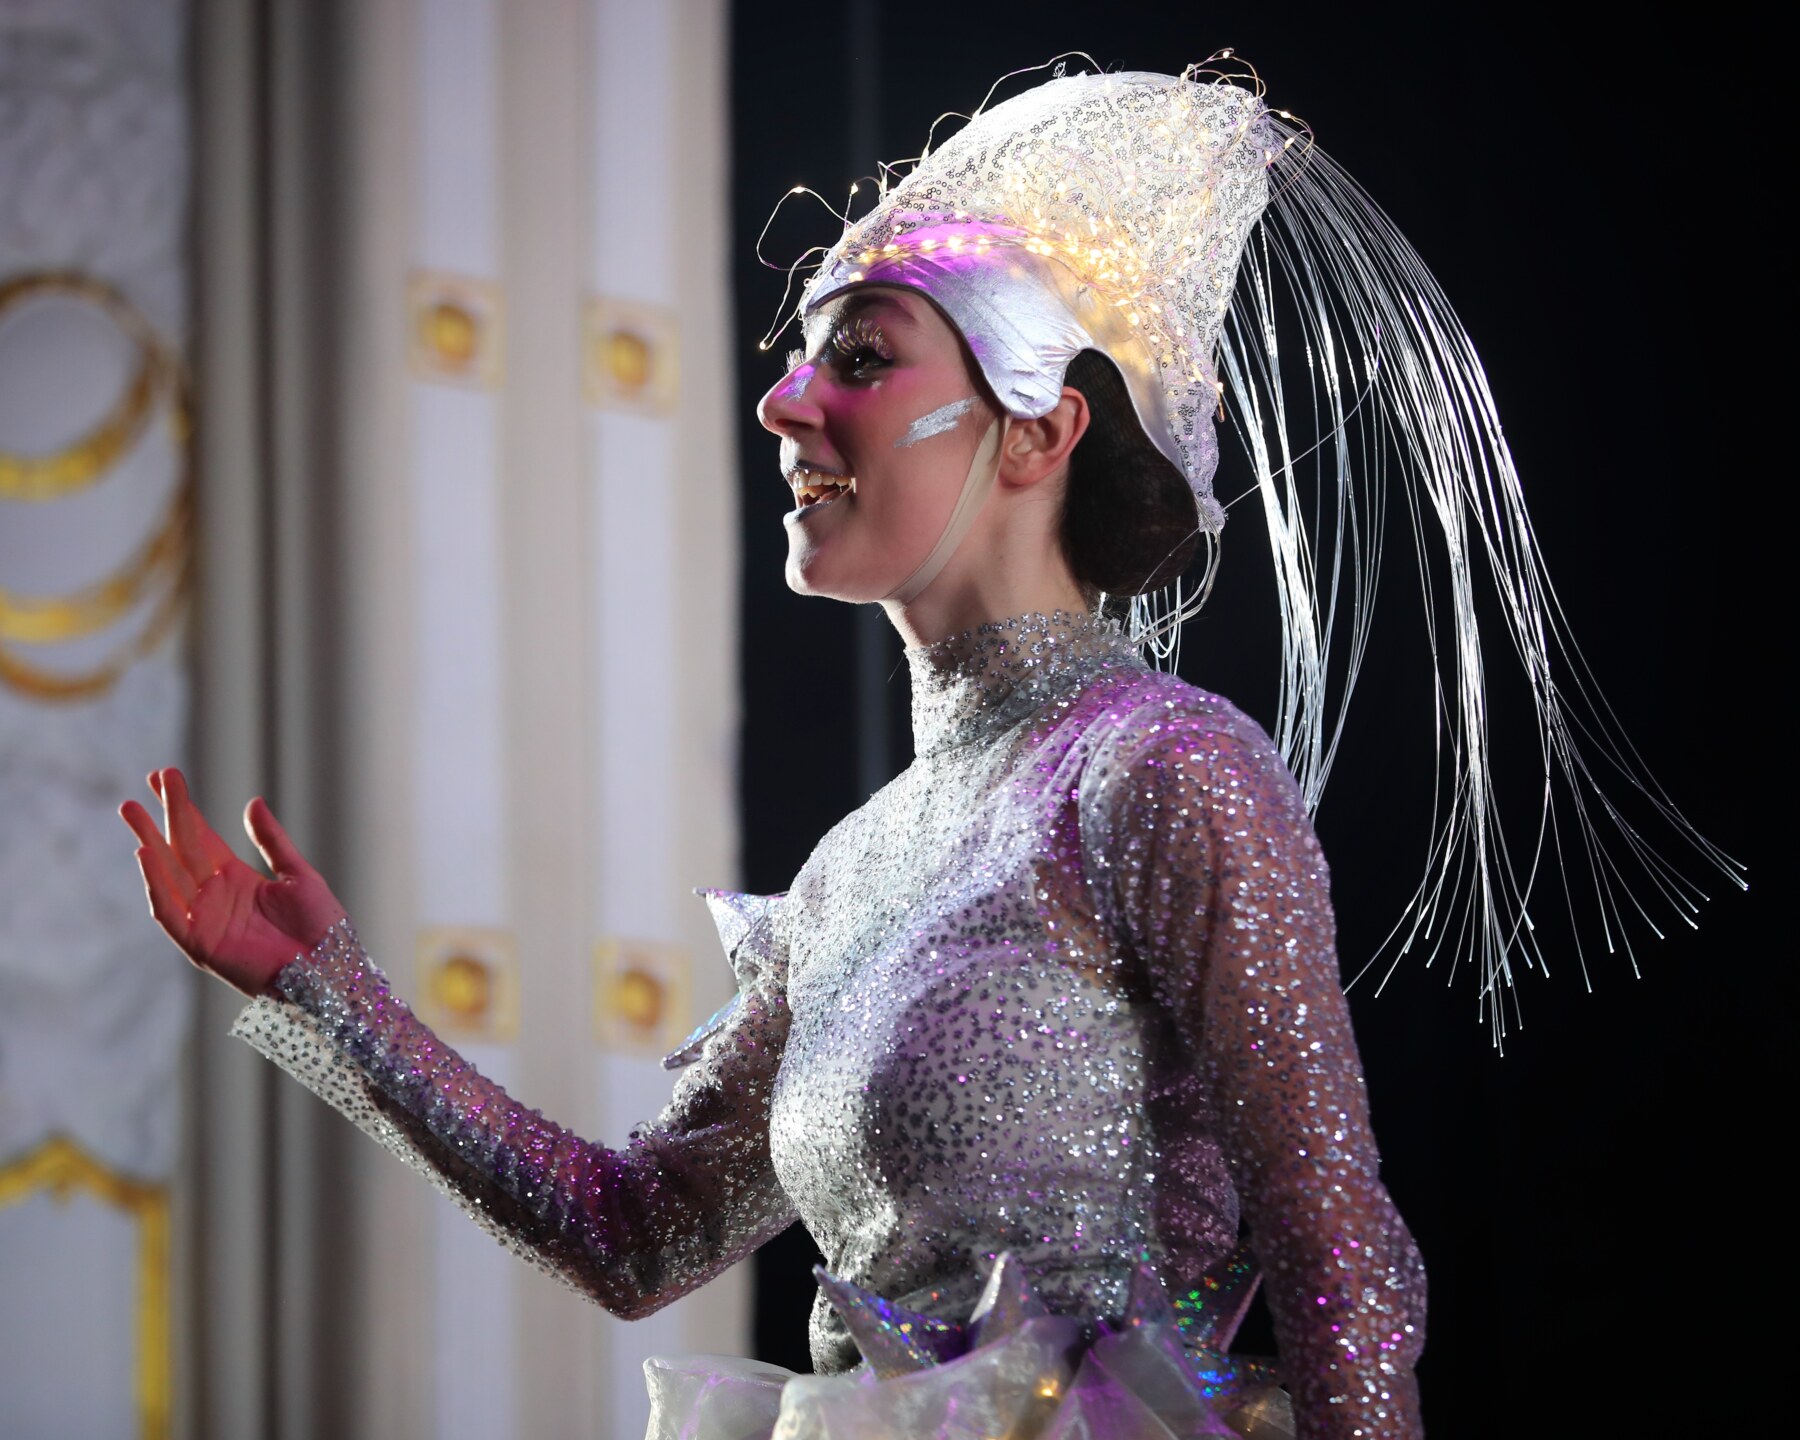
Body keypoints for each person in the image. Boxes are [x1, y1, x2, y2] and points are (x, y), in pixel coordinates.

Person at [120, 61, 1728, 1440]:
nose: (782, 406)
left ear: (1038, 430)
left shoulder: (1159, 771)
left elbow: (1337, 1256)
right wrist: (327, 998)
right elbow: (639, 1233)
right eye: (801, 358)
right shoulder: (850, 874)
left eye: (862, 357)